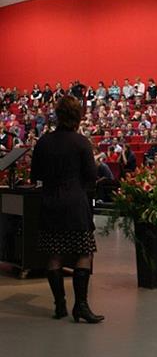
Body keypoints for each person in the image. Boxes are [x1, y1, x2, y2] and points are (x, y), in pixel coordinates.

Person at [30, 96, 104, 323]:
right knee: (83, 252)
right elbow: (92, 177)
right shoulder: (82, 143)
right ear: (77, 117)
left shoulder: (43, 142)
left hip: (50, 203)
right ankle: (80, 306)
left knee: (54, 255)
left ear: (57, 115)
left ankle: (59, 305)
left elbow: (36, 176)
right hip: (75, 204)